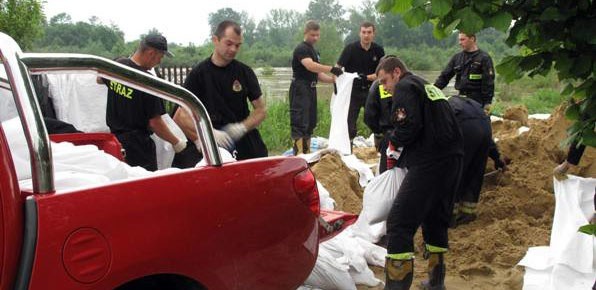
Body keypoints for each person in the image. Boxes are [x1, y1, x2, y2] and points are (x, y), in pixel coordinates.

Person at [377, 57, 463, 290]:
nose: (385, 88)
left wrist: (391, 141)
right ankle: (436, 283)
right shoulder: (428, 86)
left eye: (385, 81)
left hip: (430, 160)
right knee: (435, 219)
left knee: (399, 222)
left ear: (397, 72)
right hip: (453, 159)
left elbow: (407, 125)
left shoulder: (405, 86)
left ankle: (396, 286)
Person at [173, 20, 267, 167]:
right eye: (229, 44)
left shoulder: (245, 72)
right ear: (215, 40)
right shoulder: (198, 74)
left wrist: (242, 127)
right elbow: (179, 116)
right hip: (213, 138)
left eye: (237, 45)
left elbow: (261, 110)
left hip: (243, 138)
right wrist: (201, 138)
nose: (233, 49)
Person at [102, 34, 186, 171]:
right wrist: (176, 142)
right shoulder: (147, 82)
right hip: (138, 148)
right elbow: (155, 123)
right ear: (151, 53)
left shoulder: (117, 66)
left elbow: (99, 79)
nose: (159, 62)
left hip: (114, 142)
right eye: (161, 57)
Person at [448, 96, 506, 226]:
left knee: (455, 173)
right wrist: (497, 158)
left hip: (464, 126)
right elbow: (487, 140)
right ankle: (468, 213)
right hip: (484, 125)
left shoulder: (437, 110)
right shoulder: (456, 103)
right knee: (475, 171)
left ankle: (449, 215)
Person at [290, 20, 343, 155]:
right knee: (300, 123)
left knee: (309, 123)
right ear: (305, 33)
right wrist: (332, 68)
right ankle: (298, 156)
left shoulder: (313, 51)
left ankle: (306, 156)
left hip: (311, 88)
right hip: (300, 88)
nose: (315, 38)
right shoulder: (301, 49)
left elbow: (318, 74)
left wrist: (334, 80)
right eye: (313, 35)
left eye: (317, 35)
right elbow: (310, 66)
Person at [337, 21, 385, 141]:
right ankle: (348, 148)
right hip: (353, 90)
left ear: (374, 34)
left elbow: (383, 73)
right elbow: (337, 67)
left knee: (375, 119)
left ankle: (379, 148)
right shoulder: (350, 49)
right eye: (363, 32)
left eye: (369, 32)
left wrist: (368, 77)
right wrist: (336, 82)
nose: (366, 35)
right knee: (350, 121)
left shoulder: (378, 50)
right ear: (359, 33)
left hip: (372, 90)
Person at [434, 32, 495, 110]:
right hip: (460, 99)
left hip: (477, 101)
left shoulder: (484, 58)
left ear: (472, 39)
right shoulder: (457, 58)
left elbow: (488, 82)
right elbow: (444, 78)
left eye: (462, 40)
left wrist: (487, 103)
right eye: (459, 40)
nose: (460, 43)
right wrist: (432, 92)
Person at [364, 79, 393, 174]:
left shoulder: (379, 84)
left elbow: (369, 115)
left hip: (388, 136)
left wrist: (377, 134)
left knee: (386, 174)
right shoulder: (417, 83)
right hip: (413, 138)